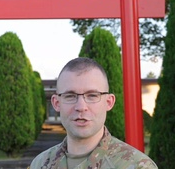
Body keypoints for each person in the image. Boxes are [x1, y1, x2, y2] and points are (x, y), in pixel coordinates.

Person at [29, 57, 158, 169]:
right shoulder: (39, 164)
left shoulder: (137, 166)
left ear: (109, 102)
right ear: (56, 103)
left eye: (92, 95)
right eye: (70, 96)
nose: (81, 107)